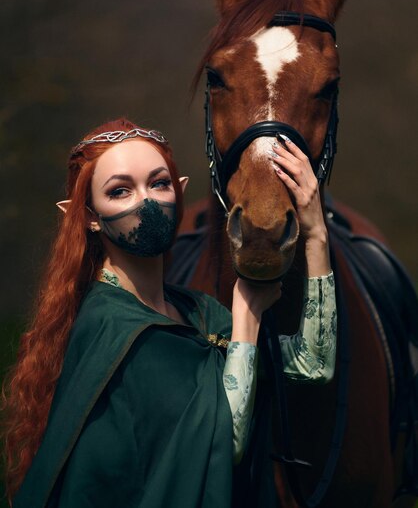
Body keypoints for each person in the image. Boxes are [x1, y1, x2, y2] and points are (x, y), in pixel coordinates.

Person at [2, 117, 336, 508]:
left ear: (180, 193)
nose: (146, 200)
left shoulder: (197, 312)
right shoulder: (109, 327)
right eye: (120, 190)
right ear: (88, 216)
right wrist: (247, 317)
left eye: (159, 183)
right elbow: (222, 448)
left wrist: (315, 234)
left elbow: (313, 364)